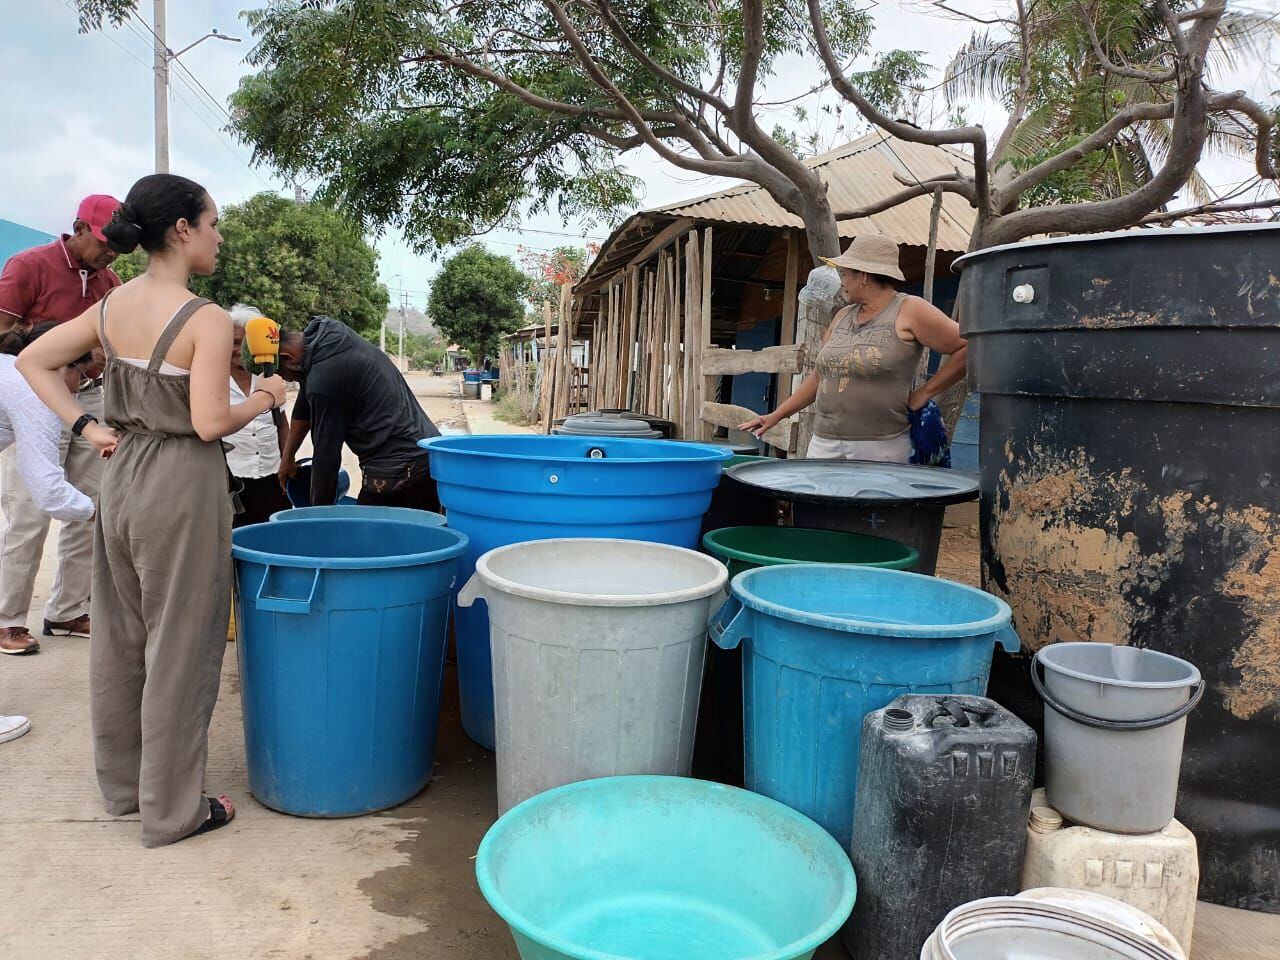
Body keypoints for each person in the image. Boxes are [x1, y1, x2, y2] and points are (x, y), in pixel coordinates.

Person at [17, 173, 288, 847]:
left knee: (120, 636)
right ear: (182, 230)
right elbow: (207, 422)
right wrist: (268, 396)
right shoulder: (204, 318)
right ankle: (171, 810)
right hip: (180, 484)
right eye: (214, 223)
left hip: (122, 476)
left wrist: (84, 428)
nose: (219, 236)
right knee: (181, 642)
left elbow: (32, 359)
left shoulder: (111, 307)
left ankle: (124, 789)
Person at [0, 195, 121, 651]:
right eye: (105, 243)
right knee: (31, 511)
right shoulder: (29, 265)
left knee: (89, 503)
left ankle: (68, 610)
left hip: (87, 393)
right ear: (78, 228)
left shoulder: (110, 281)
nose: (111, 254)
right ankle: (8, 617)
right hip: (31, 393)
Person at [740, 235, 968, 462]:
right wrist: (777, 415)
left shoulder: (910, 310)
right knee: (817, 497)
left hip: (881, 446)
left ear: (864, 276)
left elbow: (967, 347)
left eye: (845, 274)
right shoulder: (842, 316)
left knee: (873, 499)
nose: (842, 282)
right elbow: (820, 377)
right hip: (824, 442)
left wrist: (925, 392)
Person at [276, 316, 441, 510]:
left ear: (288, 358)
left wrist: (318, 517)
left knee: (368, 535)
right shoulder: (324, 333)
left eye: (280, 373)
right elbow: (304, 406)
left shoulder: (325, 379)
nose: (282, 378)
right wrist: (287, 458)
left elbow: (326, 456)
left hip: (400, 469)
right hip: (425, 455)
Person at [227, 304, 290, 526]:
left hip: (271, 478)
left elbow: (282, 426)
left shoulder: (269, 378)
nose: (239, 349)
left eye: (246, 343)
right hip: (230, 483)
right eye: (234, 342)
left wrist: (287, 463)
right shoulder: (213, 383)